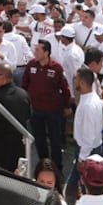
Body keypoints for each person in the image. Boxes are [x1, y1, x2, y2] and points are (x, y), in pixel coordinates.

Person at [21, 40, 72, 170]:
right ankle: (43, 165)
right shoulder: (31, 64)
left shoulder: (56, 67)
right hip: (35, 110)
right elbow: (24, 84)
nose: (35, 52)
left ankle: (57, 168)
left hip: (53, 111)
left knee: (55, 140)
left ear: (46, 52)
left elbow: (65, 88)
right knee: (39, 139)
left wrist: (67, 106)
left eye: (38, 50)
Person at [68, 66, 103, 203]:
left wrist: (82, 159)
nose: (74, 82)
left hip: (87, 150)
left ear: (82, 83)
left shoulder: (88, 105)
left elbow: (88, 136)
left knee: (87, 181)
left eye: (76, 79)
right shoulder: (90, 97)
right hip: (89, 147)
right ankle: (72, 188)